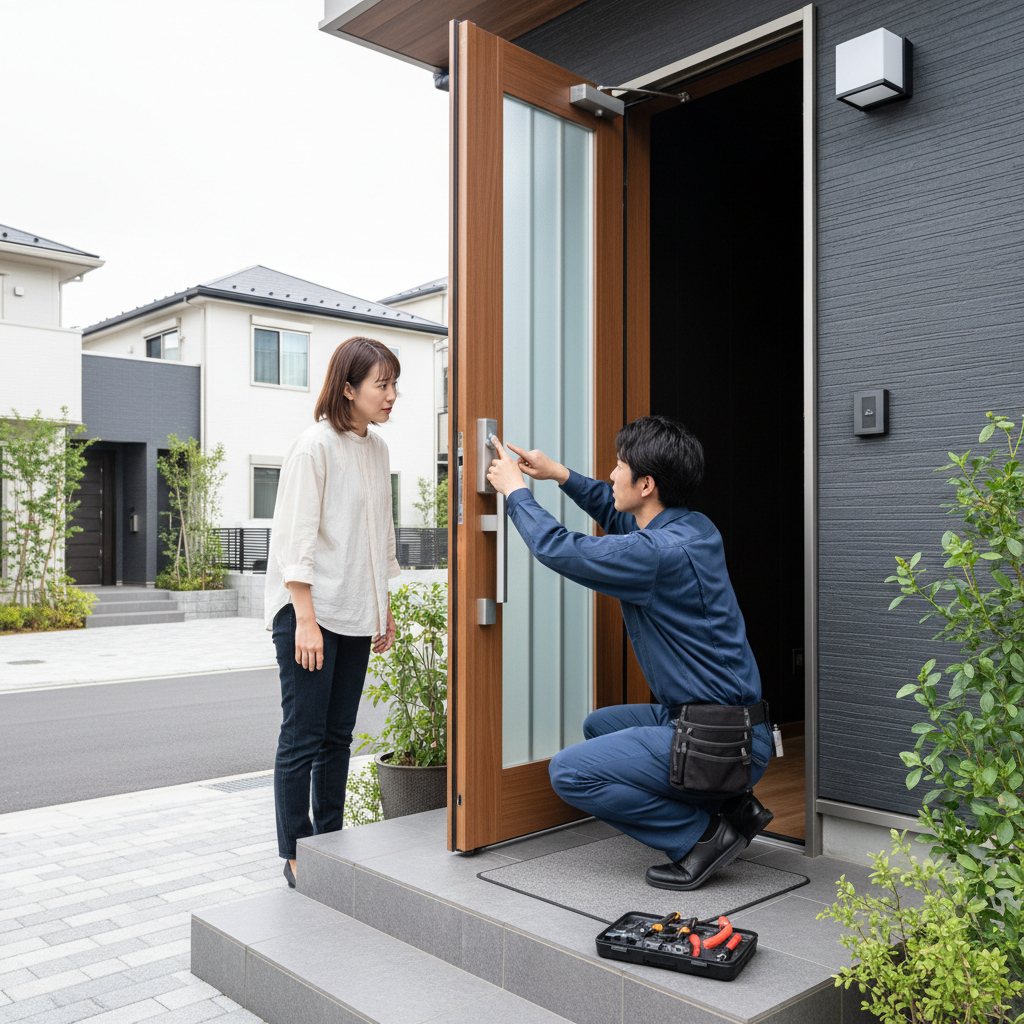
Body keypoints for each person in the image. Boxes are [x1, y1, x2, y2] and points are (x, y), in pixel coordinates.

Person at [486, 415, 774, 890]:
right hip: (734, 726)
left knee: (571, 772)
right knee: (599, 725)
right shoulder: (693, 527)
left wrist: (516, 492)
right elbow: (617, 510)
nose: (612, 473)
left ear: (646, 483)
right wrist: (558, 473)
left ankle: (701, 838)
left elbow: (560, 549)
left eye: (620, 466)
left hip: (719, 741)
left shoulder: (657, 554)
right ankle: (732, 807)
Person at [265, 336, 401, 889]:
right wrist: (304, 617)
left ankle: (332, 842)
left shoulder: (377, 450)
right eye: (382, 384)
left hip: (353, 610)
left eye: (394, 385)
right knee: (303, 736)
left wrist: (383, 606)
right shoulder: (314, 446)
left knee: (338, 737)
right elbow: (294, 537)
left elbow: (379, 535)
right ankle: (296, 851)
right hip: (308, 614)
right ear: (349, 388)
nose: (392, 396)